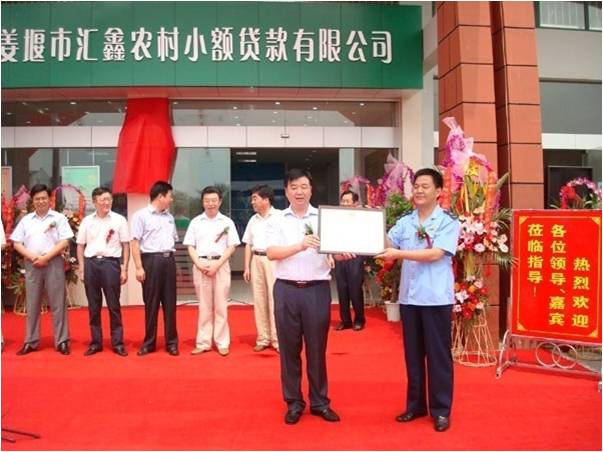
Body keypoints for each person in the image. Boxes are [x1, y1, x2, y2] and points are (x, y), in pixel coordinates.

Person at [376, 168, 461, 433]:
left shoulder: (447, 221)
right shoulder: (406, 221)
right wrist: (372, 224)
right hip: (410, 299)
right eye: (416, 186)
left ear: (438, 192)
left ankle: (441, 410)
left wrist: (399, 254)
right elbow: (388, 242)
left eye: (425, 186)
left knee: (438, 356)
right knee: (412, 356)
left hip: (435, 298)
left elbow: (436, 254)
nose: (419, 190)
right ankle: (415, 406)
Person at [266, 168, 340, 425]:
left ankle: (320, 402)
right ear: (286, 191)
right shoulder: (276, 220)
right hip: (286, 289)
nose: (299, 191)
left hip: (316, 290)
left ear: (311, 189)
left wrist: (342, 253)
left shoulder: (324, 218)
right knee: (289, 350)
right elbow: (272, 253)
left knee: (317, 349)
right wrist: (300, 245)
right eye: (294, 187)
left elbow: (335, 249)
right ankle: (294, 402)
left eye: (304, 186)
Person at [11, 184, 73, 355]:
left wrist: (47, 257)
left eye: (44, 198)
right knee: (32, 304)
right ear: (33, 200)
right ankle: (31, 341)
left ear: (49, 199)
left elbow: (65, 240)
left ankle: (62, 341)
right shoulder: (26, 220)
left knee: (58, 304)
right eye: (37, 198)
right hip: (32, 264)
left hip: (53, 262)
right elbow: (16, 243)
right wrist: (32, 257)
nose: (41, 201)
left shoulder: (59, 218)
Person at [184, 186, 240, 356]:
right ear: (202, 202)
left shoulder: (227, 222)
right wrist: (198, 264)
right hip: (201, 264)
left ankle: (222, 342)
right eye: (207, 200)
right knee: (204, 306)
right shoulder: (195, 222)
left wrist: (217, 264)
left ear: (220, 201)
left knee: (221, 305)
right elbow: (190, 246)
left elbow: (231, 247)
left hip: (220, 264)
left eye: (214, 200)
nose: (211, 204)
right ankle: (203, 342)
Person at [76, 187, 130, 357]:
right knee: (93, 306)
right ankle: (96, 342)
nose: (106, 203)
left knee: (114, 305)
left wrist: (124, 268)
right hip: (91, 264)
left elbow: (126, 245)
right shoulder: (87, 221)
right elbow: (80, 246)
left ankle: (118, 343)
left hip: (111, 264)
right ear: (94, 202)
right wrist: (82, 268)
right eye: (103, 200)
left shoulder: (119, 220)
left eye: (109, 199)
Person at [131, 180, 179, 356]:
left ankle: (171, 343)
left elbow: (173, 239)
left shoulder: (169, 218)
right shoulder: (140, 216)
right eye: (169, 196)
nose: (171, 199)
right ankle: (149, 343)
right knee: (151, 304)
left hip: (168, 260)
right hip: (151, 261)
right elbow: (135, 242)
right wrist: (138, 267)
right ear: (160, 196)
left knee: (170, 304)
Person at [242, 184, 281, 352]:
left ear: (266, 199)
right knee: (259, 300)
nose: (252, 202)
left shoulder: (280, 217)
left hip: (273, 260)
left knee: (274, 299)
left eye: (255, 198)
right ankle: (263, 337)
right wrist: (246, 267)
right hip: (256, 260)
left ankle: (277, 339)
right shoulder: (253, 220)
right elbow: (248, 244)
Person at [333, 190, 366, 331]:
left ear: (355, 203)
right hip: (340, 257)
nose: (344, 204)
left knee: (355, 289)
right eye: (343, 201)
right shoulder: (336, 219)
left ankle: (359, 319)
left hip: (355, 257)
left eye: (348, 201)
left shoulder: (361, 218)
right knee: (342, 289)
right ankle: (345, 320)